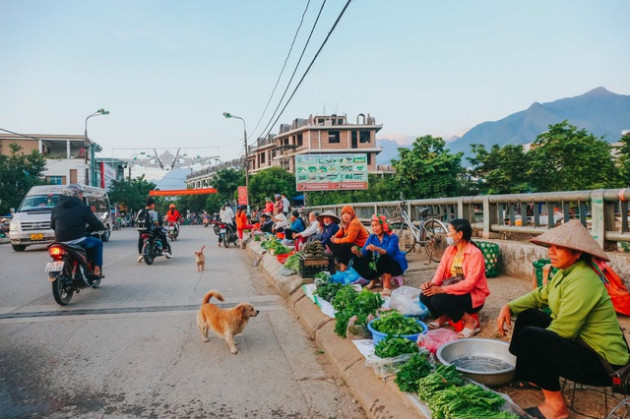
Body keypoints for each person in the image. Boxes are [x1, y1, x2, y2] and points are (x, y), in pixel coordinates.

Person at [496, 220, 629, 419]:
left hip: (604, 365)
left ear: (577, 253)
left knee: (531, 337)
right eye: (551, 246)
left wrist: (534, 346)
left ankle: (556, 407)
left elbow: (564, 330)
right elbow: (540, 295)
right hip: (582, 345)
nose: (551, 252)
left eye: (559, 248)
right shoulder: (564, 273)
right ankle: (532, 377)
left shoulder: (584, 279)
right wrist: (509, 307)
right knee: (529, 316)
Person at [420, 218, 489, 338]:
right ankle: (443, 317)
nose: (447, 235)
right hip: (454, 290)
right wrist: (431, 284)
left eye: (449, 231)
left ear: (460, 234)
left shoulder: (475, 253)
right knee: (425, 295)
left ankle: (471, 322)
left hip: (472, 295)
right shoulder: (450, 250)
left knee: (438, 299)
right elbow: (440, 272)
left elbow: (469, 284)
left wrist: (441, 290)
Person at [50, 184, 105, 282]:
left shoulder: (56, 208)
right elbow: (95, 223)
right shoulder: (83, 207)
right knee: (98, 243)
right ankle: (96, 270)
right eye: (81, 193)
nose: (81, 196)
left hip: (60, 242)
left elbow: (52, 226)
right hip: (78, 240)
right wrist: (101, 227)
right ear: (78, 194)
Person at [351, 214, 408, 297]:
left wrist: (377, 249)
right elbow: (364, 251)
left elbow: (390, 252)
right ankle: (374, 279)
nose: (374, 228)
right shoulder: (372, 237)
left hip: (394, 265)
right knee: (356, 259)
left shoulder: (392, 237)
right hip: (380, 264)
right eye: (373, 226)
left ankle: (387, 286)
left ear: (383, 226)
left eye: (377, 225)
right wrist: (357, 252)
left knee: (384, 256)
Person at [329, 206, 369, 272]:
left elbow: (350, 239)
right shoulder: (345, 223)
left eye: (348, 213)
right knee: (332, 243)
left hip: (362, 245)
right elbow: (340, 233)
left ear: (352, 214)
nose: (346, 216)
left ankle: (342, 267)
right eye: (343, 214)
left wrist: (337, 240)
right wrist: (334, 237)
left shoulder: (354, 222)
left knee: (344, 246)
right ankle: (339, 260)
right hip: (353, 243)